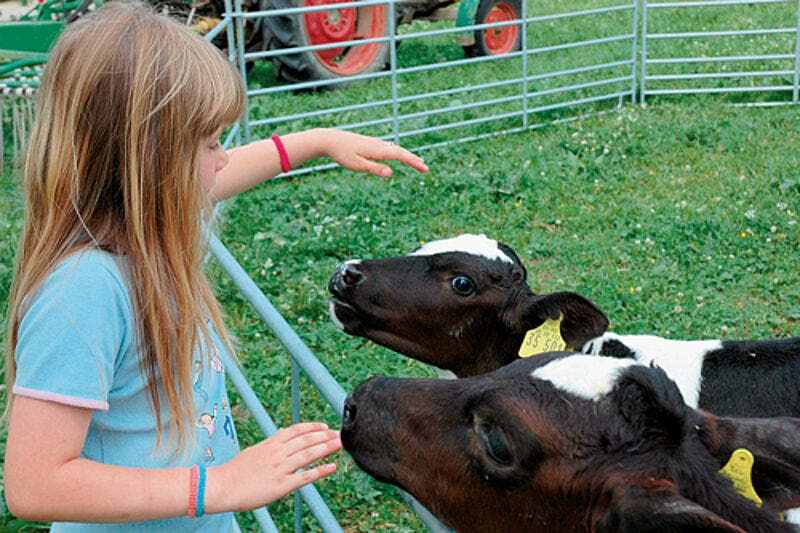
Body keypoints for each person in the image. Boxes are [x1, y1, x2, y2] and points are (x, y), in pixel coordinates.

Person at [2, 1, 429, 531]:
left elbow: (219, 175)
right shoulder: (83, 290)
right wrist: (221, 485)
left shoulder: (147, 223)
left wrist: (317, 142)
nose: (223, 158)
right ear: (146, 162)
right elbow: (34, 484)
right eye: (208, 143)